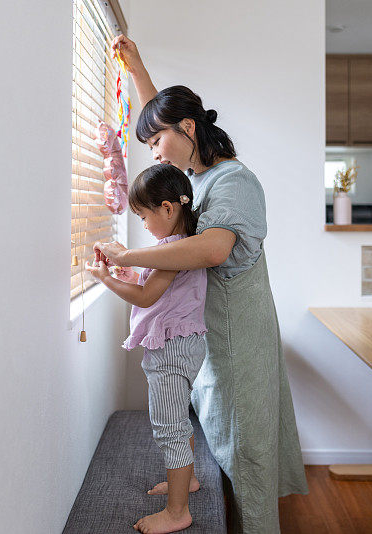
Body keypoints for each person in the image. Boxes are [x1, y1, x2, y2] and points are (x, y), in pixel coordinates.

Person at [95, 35, 309, 533]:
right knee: (209, 430)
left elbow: (212, 249)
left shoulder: (235, 182)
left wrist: (129, 256)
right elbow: (161, 116)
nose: (152, 154)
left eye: (155, 143)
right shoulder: (194, 176)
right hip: (209, 334)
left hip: (241, 340)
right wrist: (136, 65)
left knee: (247, 453)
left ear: (189, 129)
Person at [85, 164, 208, 534]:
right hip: (181, 344)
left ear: (168, 209)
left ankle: (177, 512)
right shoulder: (176, 248)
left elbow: (147, 295)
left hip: (172, 350)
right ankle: (187, 481)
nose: (143, 225)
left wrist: (106, 278)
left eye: (143, 216)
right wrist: (129, 272)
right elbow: (154, 284)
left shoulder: (174, 250)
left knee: (168, 427)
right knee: (177, 420)